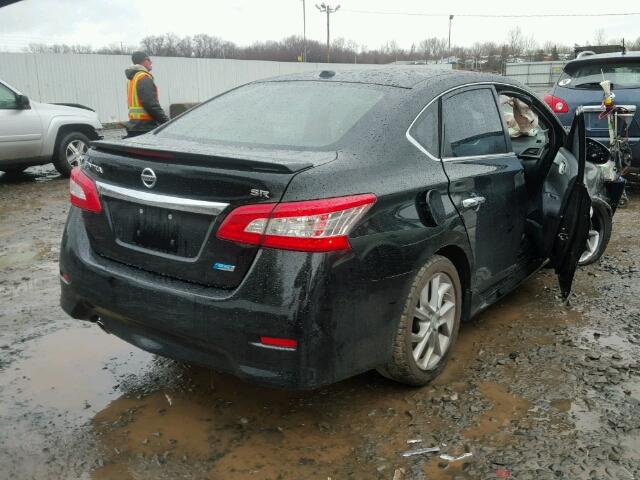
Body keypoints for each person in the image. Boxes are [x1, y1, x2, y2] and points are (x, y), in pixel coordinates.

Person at [124, 51, 169, 137]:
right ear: (144, 61)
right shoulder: (143, 77)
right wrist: (167, 121)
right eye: (149, 60)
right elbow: (150, 103)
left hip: (135, 125)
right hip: (145, 126)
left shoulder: (132, 78)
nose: (151, 62)